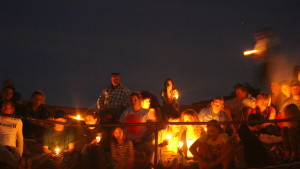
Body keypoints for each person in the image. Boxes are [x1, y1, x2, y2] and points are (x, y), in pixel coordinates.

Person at [119, 92, 156, 167]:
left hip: (143, 140)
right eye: (131, 100)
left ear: (139, 100)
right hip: (129, 140)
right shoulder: (126, 112)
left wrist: (141, 138)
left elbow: (151, 129)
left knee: (148, 147)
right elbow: (120, 126)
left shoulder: (146, 112)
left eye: (135, 100)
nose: (133, 102)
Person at [0, 101, 23, 168]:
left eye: (5, 108)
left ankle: (19, 164)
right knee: (6, 153)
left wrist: (20, 154)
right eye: (2, 107)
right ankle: (20, 165)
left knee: (14, 155)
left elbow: (20, 139)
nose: (2, 109)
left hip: (12, 148)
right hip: (1, 147)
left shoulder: (18, 121)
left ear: (11, 111)